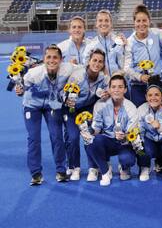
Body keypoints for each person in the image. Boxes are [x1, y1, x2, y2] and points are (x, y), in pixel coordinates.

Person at [15, 45, 75, 185]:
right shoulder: (34, 73)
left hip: (52, 105)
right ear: (44, 59)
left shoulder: (68, 69)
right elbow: (21, 87)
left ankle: (61, 171)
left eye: (55, 57)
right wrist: (20, 90)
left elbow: (83, 70)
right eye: (48, 57)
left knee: (57, 136)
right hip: (31, 105)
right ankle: (36, 174)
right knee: (33, 138)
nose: (52, 60)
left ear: (61, 59)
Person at [63, 49, 110, 181]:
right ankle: (74, 167)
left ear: (103, 64)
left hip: (88, 109)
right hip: (71, 109)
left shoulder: (104, 78)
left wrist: (107, 95)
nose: (97, 63)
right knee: (72, 137)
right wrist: (67, 100)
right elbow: (65, 93)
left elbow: (108, 92)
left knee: (89, 136)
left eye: (100, 61)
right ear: (89, 61)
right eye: (94, 60)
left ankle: (93, 168)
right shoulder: (77, 76)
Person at [84, 74, 138, 186]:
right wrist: (89, 131)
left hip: (125, 143)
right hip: (108, 141)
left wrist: (125, 136)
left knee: (127, 159)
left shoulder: (131, 107)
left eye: (120, 87)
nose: (116, 90)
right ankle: (104, 171)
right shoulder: (100, 105)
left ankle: (124, 167)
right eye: (113, 87)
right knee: (92, 140)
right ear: (109, 89)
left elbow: (133, 132)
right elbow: (97, 127)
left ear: (125, 89)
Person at [124, 4, 162, 107]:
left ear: (149, 21)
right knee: (141, 116)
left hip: (156, 83)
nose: (141, 24)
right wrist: (140, 76)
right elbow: (127, 68)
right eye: (138, 21)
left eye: (144, 20)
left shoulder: (157, 35)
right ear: (134, 22)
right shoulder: (129, 42)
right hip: (138, 86)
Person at [83, 9, 126, 75]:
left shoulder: (118, 42)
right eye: (100, 20)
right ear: (96, 24)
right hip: (98, 84)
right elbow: (85, 67)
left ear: (111, 24)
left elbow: (124, 65)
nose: (103, 23)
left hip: (116, 82)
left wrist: (118, 75)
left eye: (106, 20)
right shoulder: (91, 45)